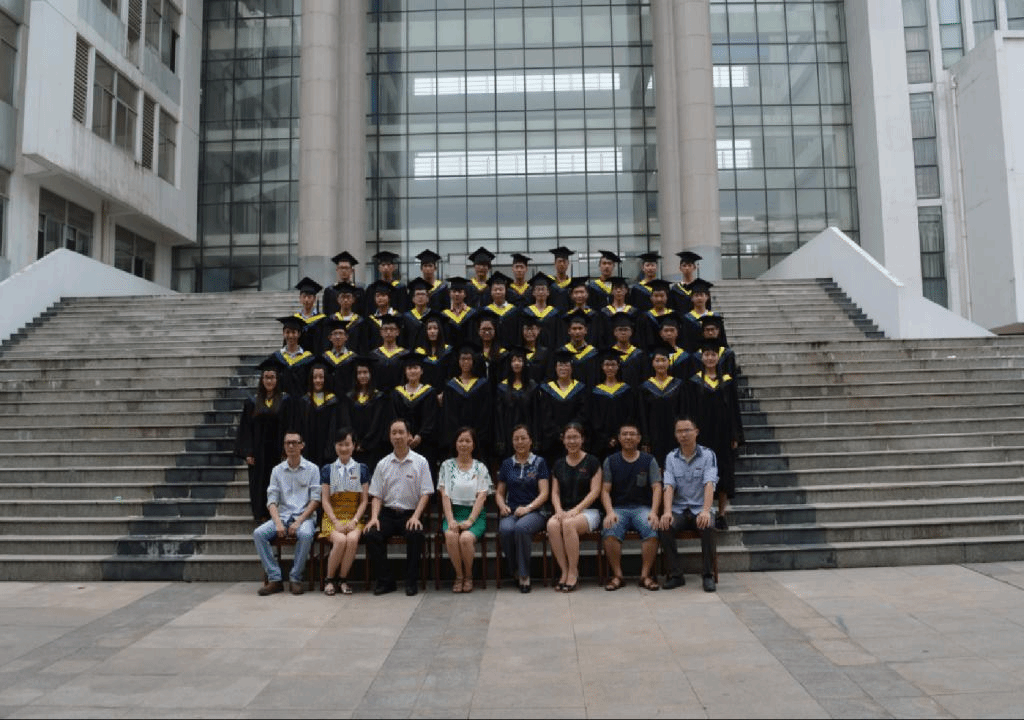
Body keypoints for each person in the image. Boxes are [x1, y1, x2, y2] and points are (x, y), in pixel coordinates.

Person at [364, 418, 434, 596]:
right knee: (372, 534)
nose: (397, 436)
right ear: (389, 436)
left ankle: (411, 582)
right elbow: (376, 495)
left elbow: (426, 493)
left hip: (410, 513)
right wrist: (374, 517)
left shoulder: (420, 462)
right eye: (393, 433)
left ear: (409, 435)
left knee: (415, 533)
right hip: (388, 514)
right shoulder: (383, 464)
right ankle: (386, 581)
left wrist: (416, 516)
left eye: (401, 432)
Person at [253, 430, 321, 596]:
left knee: (305, 534)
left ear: (302, 445)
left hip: (304, 517)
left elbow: (315, 500)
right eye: (287, 443)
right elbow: (272, 500)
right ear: (284, 446)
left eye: (294, 442)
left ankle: (295, 578)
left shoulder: (312, 469)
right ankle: (275, 578)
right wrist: (277, 522)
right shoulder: (277, 470)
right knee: (259, 534)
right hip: (282, 517)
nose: (291, 446)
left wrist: (299, 521)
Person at [686, 340, 744, 530]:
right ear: (701, 357)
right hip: (702, 433)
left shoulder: (727, 380)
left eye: (713, 355)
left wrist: (735, 434)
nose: (710, 358)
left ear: (718, 358)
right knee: (701, 470)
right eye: (707, 355)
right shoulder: (694, 381)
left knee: (723, 471)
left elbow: (734, 409)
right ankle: (703, 511)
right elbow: (690, 410)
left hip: (723, 433)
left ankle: (721, 514)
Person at [658, 416, 718, 592]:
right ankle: (676, 575)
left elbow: (709, 483)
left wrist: (706, 510)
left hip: (700, 508)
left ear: (696, 432)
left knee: (708, 526)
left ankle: (708, 575)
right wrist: (667, 512)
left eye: (687, 430)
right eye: (679, 431)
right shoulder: (671, 457)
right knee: (665, 526)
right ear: (675, 435)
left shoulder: (708, 455)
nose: (683, 435)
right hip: (679, 509)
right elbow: (668, 486)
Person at [600, 423, 662, 591]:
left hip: (642, 508)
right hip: (618, 508)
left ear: (639, 438)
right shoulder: (610, 461)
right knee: (610, 528)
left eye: (632, 434)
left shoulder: (648, 460)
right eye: (625, 434)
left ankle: (645, 576)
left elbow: (657, 487)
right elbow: (605, 490)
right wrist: (609, 512)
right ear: (619, 438)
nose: (628, 437)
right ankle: (618, 576)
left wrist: (654, 512)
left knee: (651, 527)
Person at [547, 422, 602, 592]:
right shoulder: (558, 464)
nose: (572, 441)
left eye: (575, 437)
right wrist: (558, 510)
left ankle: (573, 572)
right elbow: (555, 493)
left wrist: (576, 510)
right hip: (564, 511)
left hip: (588, 511)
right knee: (552, 524)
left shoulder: (592, 462)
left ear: (582, 439)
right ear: (563, 440)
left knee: (568, 524)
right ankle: (564, 571)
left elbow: (595, 492)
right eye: (568, 438)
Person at [236, 357, 293, 521]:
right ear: (262, 380)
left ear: (277, 379)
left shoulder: (285, 401)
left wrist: (287, 450)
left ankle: (279, 513)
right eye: (266, 377)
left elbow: (289, 426)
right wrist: (248, 452)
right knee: (259, 482)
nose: (269, 381)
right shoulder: (252, 402)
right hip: (258, 452)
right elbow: (245, 428)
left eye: (272, 377)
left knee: (278, 481)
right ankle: (261, 514)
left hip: (278, 451)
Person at [438, 427, 494, 593]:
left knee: (465, 539)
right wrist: (450, 520)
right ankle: (459, 576)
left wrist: (470, 521)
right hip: (453, 513)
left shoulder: (480, 467)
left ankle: (469, 576)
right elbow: (445, 496)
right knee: (451, 535)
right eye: (460, 440)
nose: (464, 444)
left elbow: (482, 497)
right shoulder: (446, 466)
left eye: (468, 441)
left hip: (474, 515)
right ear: (455, 444)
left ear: (473, 445)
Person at [495, 425, 550, 593]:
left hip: (535, 512)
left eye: (523, 438)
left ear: (530, 441)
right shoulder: (507, 464)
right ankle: (515, 570)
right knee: (506, 529)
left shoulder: (539, 462)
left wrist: (528, 508)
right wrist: (502, 505)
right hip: (511, 511)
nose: (520, 442)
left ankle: (525, 575)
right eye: (516, 439)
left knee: (521, 528)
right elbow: (499, 493)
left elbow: (544, 493)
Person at [319, 428, 370, 596]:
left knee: (352, 539)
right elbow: (325, 500)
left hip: (354, 517)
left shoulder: (362, 469)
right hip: (332, 518)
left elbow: (364, 501)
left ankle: (343, 579)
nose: (344, 448)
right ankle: (329, 580)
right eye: (340, 444)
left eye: (347, 444)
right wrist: (335, 521)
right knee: (340, 540)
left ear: (354, 446)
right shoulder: (327, 469)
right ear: (335, 446)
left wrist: (354, 521)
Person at [535, 347, 589, 464]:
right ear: (555, 368)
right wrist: (558, 434)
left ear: (572, 368)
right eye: (560, 365)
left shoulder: (580, 389)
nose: (563, 368)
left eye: (566, 365)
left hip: (574, 439)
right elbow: (545, 415)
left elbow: (583, 413)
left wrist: (571, 431)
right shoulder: (547, 389)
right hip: (553, 442)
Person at [638, 345, 688, 463]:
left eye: (663, 360)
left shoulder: (678, 385)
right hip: (653, 434)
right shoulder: (645, 387)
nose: (661, 364)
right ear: (652, 363)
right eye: (657, 361)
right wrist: (645, 439)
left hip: (674, 433)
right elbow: (642, 415)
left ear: (669, 362)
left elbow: (683, 411)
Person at [391, 354, 440, 471]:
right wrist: (406, 435)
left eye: (415, 368)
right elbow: (395, 416)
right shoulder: (397, 393)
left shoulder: (429, 392)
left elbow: (432, 417)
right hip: (402, 442)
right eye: (409, 368)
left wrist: (420, 435)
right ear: (405, 371)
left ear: (421, 371)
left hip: (425, 444)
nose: (412, 371)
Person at [341, 356, 392, 468]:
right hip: (353, 448)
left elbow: (377, 423)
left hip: (373, 448)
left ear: (371, 374)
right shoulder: (350, 397)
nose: (362, 376)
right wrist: (354, 441)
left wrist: (365, 443)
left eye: (365, 372)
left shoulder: (378, 397)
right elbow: (347, 421)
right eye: (359, 373)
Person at [442, 344, 493, 455]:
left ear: (474, 361)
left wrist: (477, 435)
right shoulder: (451, 385)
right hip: (457, 438)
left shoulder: (482, 384)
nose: (465, 362)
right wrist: (458, 435)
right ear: (458, 361)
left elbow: (485, 412)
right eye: (463, 359)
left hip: (479, 438)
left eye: (469, 359)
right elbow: (449, 414)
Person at [590, 350, 639, 459]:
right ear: (602, 367)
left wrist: (619, 437)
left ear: (618, 366)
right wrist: (606, 439)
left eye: (613, 365)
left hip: (624, 439)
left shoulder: (626, 390)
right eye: (607, 365)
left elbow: (630, 415)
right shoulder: (596, 391)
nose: (610, 368)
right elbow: (594, 418)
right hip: (602, 443)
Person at [494, 347, 537, 461]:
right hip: (508, 436)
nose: (516, 363)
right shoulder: (502, 387)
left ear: (524, 363)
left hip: (528, 433)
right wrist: (500, 440)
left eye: (520, 360)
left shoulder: (532, 386)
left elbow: (536, 415)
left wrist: (536, 438)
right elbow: (499, 416)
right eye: (513, 360)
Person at [295, 362, 339, 466]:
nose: (318, 380)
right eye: (315, 377)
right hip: (308, 450)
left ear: (326, 379)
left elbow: (334, 428)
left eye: (321, 377)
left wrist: (330, 450)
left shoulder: (332, 401)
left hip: (327, 450)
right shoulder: (305, 401)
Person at [271, 315, 316, 397]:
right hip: (282, 401)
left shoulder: (309, 359)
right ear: (283, 334)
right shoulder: (276, 358)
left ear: (299, 334)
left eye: (293, 332)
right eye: (287, 332)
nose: (291, 336)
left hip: (302, 401)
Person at [323, 251, 363, 318]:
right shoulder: (329, 291)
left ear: (352, 270)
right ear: (337, 269)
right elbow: (326, 313)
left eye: (346, 268)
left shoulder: (359, 291)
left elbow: (362, 313)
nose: (344, 271)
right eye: (341, 268)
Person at [293, 276, 327, 354]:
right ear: (300, 299)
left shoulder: (322, 319)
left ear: (314, 299)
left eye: (309, 297)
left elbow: (325, 343)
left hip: (317, 357)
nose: (306, 300)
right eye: (304, 297)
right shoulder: (295, 319)